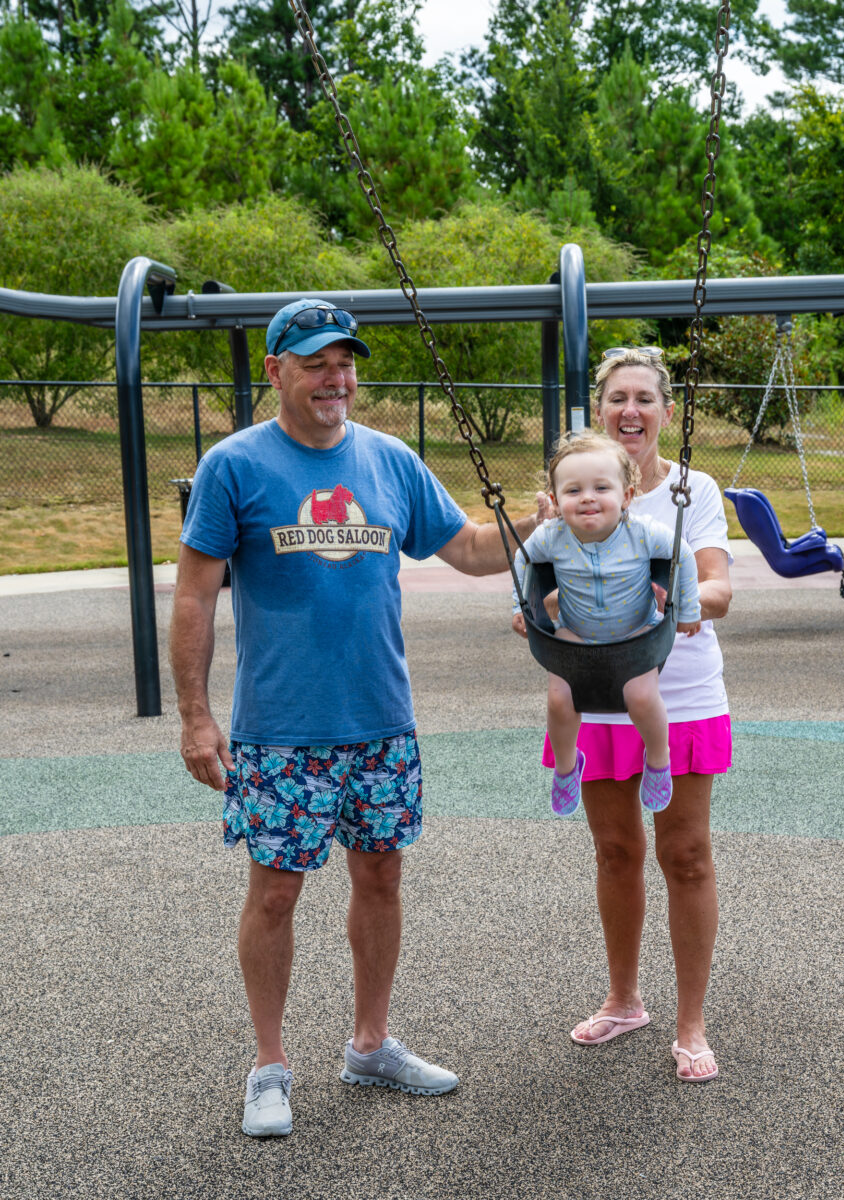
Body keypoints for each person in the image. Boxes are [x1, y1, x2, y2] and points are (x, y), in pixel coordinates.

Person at [170, 298, 542, 1136]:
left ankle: (369, 1045)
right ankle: (269, 1065)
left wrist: (541, 522)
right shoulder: (235, 467)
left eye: (345, 363)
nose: (335, 379)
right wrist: (196, 716)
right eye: (315, 363)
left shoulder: (390, 461)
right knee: (274, 895)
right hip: (280, 730)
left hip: (382, 721)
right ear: (275, 371)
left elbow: (473, 550)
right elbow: (195, 594)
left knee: (381, 877)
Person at [516, 347, 732, 1081]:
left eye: (645, 397)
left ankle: (692, 1021)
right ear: (599, 411)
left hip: (680, 687)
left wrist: (695, 605)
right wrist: (537, 608)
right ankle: (624, 998)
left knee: (687, 854)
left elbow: (714, 581)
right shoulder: (575, 489)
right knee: (616, 851)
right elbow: (541, 582)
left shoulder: (690, 490)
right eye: (617, 398)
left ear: (667, 411)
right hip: (589, 682)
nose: (631, 410)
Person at [511, 430, 701, 817]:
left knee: (642, 697)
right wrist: (518, 607)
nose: (588, 498)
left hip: (636, 633)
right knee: (559, 698)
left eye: (601, 487)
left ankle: (658, 759)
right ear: (555, 498)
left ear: (626, 496)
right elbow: (523, 559)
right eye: (573, 490)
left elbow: (683, 552)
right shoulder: (553, 536)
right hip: (574, 633)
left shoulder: (642, 534)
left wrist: (690, 610)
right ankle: (566, 768)